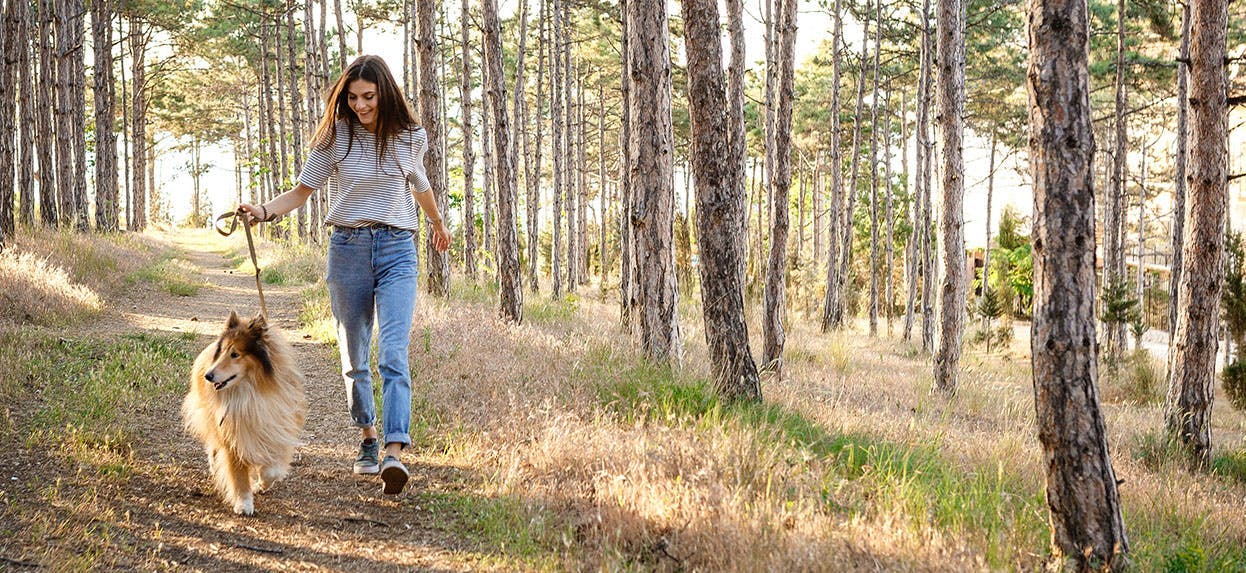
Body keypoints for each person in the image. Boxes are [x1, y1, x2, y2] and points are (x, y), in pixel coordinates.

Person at [240, 55, 450, 495]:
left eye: (368, 97)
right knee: (355, 359)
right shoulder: (336, 136)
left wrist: (437, 223)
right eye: (352, 97)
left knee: (393, 352)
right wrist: (263, 211)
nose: (360, 105)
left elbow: (421, 186)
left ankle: (395, 450)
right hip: (348, 248)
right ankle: (368, 438)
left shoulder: (409, 136)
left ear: (385, 93)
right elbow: (301, 192)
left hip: (397, 248)